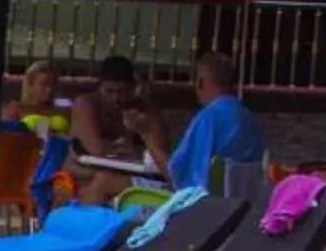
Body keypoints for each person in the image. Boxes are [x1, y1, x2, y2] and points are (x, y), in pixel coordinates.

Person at [161, 51, 266, 195]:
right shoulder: (249, 119)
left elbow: (178, 174)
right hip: (240, 207)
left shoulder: (208, 118)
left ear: (200, 82)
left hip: (202, 208)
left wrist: (147, 135)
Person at [68, 55, 162, 206]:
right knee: (102, 180)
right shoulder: (87, 104)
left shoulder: (143, 107)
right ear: (100, 88)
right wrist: (127, 147)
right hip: (82, 169)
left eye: (121, 91)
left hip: (133, 171)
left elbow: (159, 149)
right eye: (109, 91)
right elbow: (95, 149)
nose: (115, 98)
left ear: (133, 89)